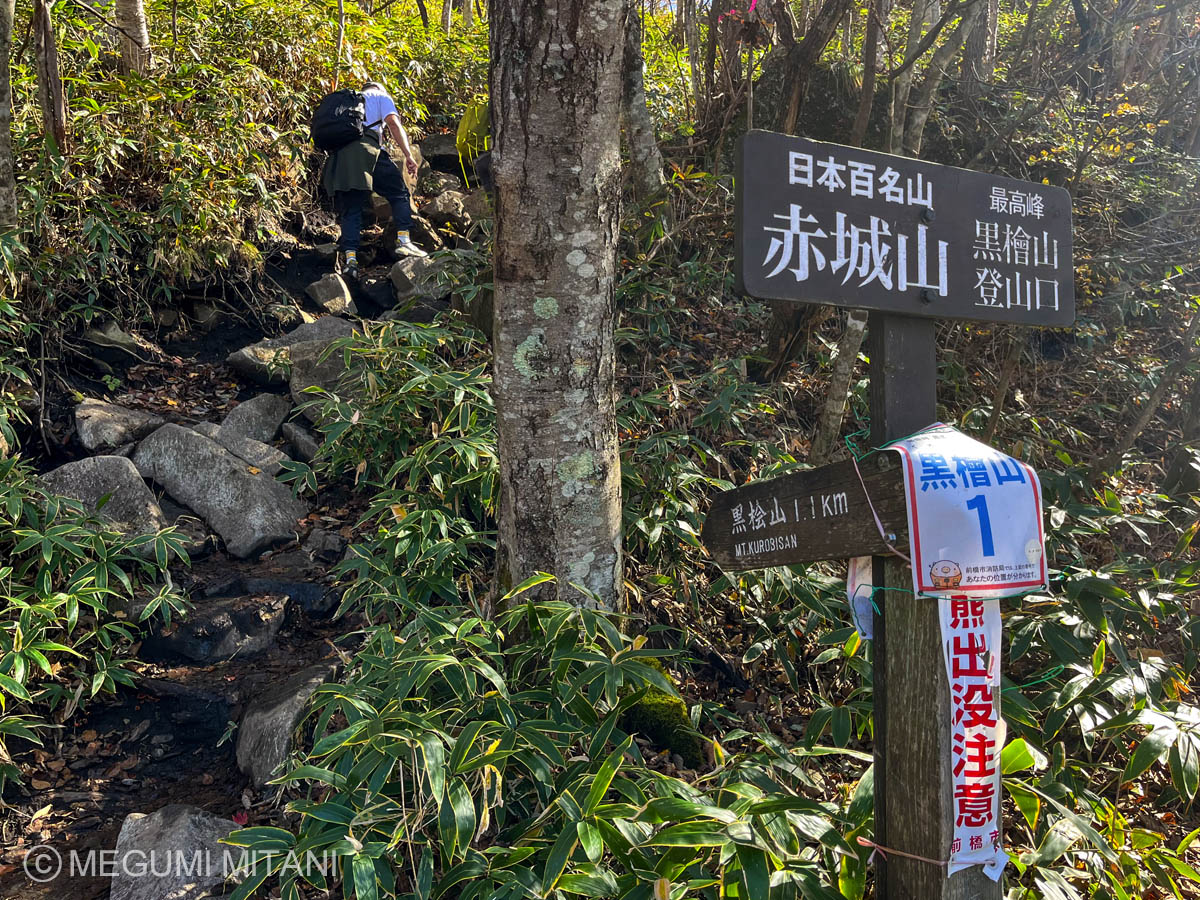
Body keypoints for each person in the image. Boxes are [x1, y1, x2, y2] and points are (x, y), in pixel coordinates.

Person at [323, 81, 427, 278]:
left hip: (343, 158)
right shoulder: (380, 97)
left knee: (352, 209)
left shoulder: (350, 101)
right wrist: (408, 155)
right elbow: (393, 124)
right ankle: (404, 241)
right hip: (368, 151)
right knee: (399, 193)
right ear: (379, 89)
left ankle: (351, 262)